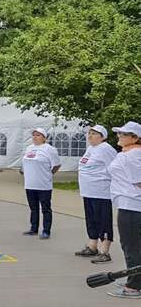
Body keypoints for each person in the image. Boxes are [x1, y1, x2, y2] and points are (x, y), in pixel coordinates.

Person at [106, 121, 141, 299]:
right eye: (119, 133)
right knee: (132, 246)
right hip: (127, 204)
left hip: (132, 206)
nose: (119, 136)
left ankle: (134, 286)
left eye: (124, 134)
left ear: (135, 138)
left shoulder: (134, 155)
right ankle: (135, 280)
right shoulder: (128, 153)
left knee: (131, 247)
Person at [74, 125, 116, 263]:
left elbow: (114, 169)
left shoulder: (106, 149)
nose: (90, 136)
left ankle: (105, 251)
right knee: (91, 219)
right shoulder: (91, 148)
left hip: (101, 192)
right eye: (89, 133)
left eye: (94, 133)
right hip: (88, 191)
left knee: (103, 220)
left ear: (102, 136)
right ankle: (92, 246)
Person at [21, 128, 61, 239]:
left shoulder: (49, 149)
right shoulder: (29, 148)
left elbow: (56, 165)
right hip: (29, 184)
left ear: (44, 137)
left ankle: (46, 230)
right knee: (33, 208)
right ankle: (33, 228)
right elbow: (24, 163)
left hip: (43, 185)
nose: (35, 137)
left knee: (45, 208)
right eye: (33, 135)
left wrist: (48, 174)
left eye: (38, 135)